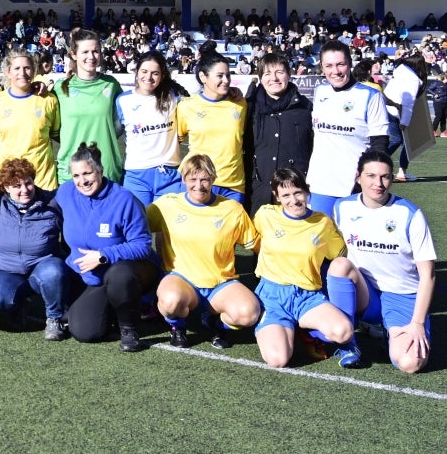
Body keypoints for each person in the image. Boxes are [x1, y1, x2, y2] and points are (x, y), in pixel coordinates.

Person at [332, 152, 436, 373]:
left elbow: (428, 276)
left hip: (403, 296)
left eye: (385, 177)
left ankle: (388, 331)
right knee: (339, 266)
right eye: (371, 175)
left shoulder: (411, 214)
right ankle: (347, 345)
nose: (378, 183)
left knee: (410, 363)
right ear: (358, 177)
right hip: (366, 294)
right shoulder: (342, 208)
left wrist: (416, 323)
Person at [251, 167, 362, 368]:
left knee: (343, 332)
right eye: (286, 195)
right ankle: (283, 327)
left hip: (307, 297)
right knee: (278, 360)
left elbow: (339, 256)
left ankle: (307, 330)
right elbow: (253, 241)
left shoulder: (322, 222)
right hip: (272, 297)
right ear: (277, 197)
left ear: (307, 192)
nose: (293, 200)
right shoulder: (265, 215)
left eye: (298, 192)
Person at [147, 154, 262, 349]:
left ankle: (217, 324)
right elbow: (135, 227)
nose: (198, 185)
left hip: (221, 283)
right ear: (183, 179)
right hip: (182, 280)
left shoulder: (232, 209)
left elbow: (258, 245)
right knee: (170, 301)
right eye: (192, 179)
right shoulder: (167, 204)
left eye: (204, 179)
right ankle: (178, 326)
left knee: (248, 313)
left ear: (213, 179)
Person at [57, 143, 160, 352]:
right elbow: (39, 200)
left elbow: (142, 245)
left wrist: (104, 255)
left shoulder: (124, 199)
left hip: (128, 271)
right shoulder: (66, 191)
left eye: (87, 173)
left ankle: (128, 330)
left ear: (100, 171)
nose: (82, 181)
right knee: (85, 332)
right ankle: (108, 310)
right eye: (76, 175)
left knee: (120, 274)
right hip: (92, 278)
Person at [0, 156, 74, 340]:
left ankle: (54, 318)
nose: (25, 190)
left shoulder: (52, 203)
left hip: (42, 267)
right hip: (6, 271)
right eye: (17, 186)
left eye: (28, 183)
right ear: (5, 188)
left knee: (53, 271)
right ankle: (19, 307)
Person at [308, 41, 389, 218]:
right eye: (329, 65)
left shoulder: (371, 96)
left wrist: (366, 180)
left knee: (353, 243)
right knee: (320, 243)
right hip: (319, 186)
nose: (335, 71)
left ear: (350, 64)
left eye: (340, 64)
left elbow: (380, 145)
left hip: (354, 187)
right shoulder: (319, 91)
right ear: (321, 66)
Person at [243, 52, 313, 211]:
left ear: (289, 74)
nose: (274, 78)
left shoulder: (305, 109)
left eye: (279, 72)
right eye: (267, 73)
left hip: (293, 195)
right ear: (260, 77)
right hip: (257, 193)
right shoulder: (249, 108)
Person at [174, 52, 247, 203]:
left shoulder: (241, 104)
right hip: (197, 183)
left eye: (228, 75)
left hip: (233, 185)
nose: (226, 80)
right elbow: (175, 143)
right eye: (220, 76)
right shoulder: (187, 106)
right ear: (203, 77)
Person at [54, 29, 124, 183]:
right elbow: (52, 129)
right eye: (85, 52)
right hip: (71, 173)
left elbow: (123, 122)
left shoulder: (111, 84)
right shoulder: (60, 88)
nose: (91, 57)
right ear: (74, 54)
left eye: (95, 51)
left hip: (107, 171)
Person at [0, 48, 59, 192]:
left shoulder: (49, 100)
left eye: (27, 68)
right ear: (8, 71)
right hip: (9, 181)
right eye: (17, 68)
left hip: (43, 181)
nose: (22, 73)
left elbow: (56, 133)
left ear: (33, 70)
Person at [115, 51, 183, 207]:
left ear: (162, 75)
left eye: (155, 73)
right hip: (136, 175)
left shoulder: (174, 97)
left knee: (167, 230)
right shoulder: (123, 100)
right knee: (137, 227)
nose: (149, 77)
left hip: (170, 175)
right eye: (144, 71)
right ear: (136, 72)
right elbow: (113, 133)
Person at [383, 50, 430, 181]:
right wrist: (405, 122)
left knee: (399, 141)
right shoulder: (413, 80)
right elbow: (408, 104)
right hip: (395, 112)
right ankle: (381, 160)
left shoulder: (400, 71)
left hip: (387, 108)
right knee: (403, 142)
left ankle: (377, 159)